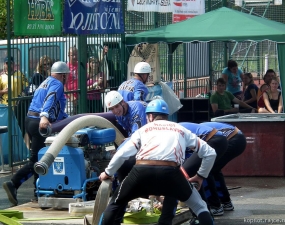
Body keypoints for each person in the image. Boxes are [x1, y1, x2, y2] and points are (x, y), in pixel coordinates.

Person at [99, 99, 216, 225]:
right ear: (166, 116)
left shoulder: (143, 130)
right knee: (200, 207)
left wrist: (108, 173)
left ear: (150, 116)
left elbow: (121, 155)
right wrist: (201, 175)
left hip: (141, 171)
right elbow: (210, 153)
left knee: (116, 203)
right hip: (171, 173)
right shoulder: (180, 129)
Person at [2, 61, 70, 206]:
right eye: (67, 76)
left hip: (30, 120)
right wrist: (44, 116)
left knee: (40, 157)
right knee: (39, 160)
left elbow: (52, 106)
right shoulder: (58, 84)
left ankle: (37, 192)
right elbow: (50, 99)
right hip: (40, 121)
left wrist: (67, 118)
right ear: (63, 75)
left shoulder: (45, 81)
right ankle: (14, 184)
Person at [156, 122, 228, 225]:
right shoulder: (169, 132)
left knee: (179, 178)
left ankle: (165, 219)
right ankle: (204, 214)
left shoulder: (169, 134)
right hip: (217, 140)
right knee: (189, 175)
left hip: (213, 140)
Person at [200, 122, 246, 216]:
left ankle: (215, 206)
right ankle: (225, 202)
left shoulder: (182, 133)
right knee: (214, 169)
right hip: (237, 138)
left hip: (233, 139)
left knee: (206, 170)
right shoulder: (189, 128)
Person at [65, 46, 78, 115]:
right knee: (70, 118)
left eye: (76, 54)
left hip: (80, 97)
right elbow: (63, 85)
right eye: (72, 55)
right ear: (68, 55)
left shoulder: (81, 65)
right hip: (69, 99)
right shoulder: (65, 67)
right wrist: (71, 96)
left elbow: (96, 64)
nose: (74, 57)